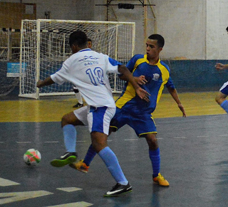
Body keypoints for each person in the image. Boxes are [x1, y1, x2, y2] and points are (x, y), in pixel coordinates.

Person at [36, 30, 149, 197]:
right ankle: (71, 152)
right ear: (86, 43)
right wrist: (136, 85)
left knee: (99, 144)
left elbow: (53, 79)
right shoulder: (100, 56)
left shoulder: (71, 61)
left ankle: (123, 183)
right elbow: (123, 69)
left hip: (100, 108)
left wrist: (40, 83)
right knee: (67, 119)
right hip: (99, 106)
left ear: (73, 46)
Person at [70, 34, 186, 188]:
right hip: (123, 107)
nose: (147, 49)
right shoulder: (138, 60)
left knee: (152, 141)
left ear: (160, 49)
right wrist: (135, 80)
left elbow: (170, 86)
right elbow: (122, 74)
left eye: (151, 47)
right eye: (146, 45)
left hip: (143, 113)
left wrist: (179, 103)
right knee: (102, 136)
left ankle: (156, 175)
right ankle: (85, 164)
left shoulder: (164, 70)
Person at [72, 39, 93, 108]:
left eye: (90, 44)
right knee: (75, 87)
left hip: (90, 74)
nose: (88, 45)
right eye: (87, 44)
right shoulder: (79, 54)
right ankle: (80, 102)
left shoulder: (93, 54)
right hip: (81, 73)